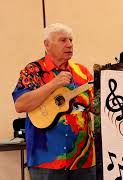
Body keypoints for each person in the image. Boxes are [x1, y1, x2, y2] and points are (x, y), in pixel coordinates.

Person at [12, 23, 96, 180]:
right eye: (63, 40)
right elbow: (20, 104)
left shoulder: (82, 72)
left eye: (71, 40)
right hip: (46, 160)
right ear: (47, 44)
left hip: (82, 159)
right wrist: (53, 84)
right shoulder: (33, 70)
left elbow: (95, 106)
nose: (69, 44)